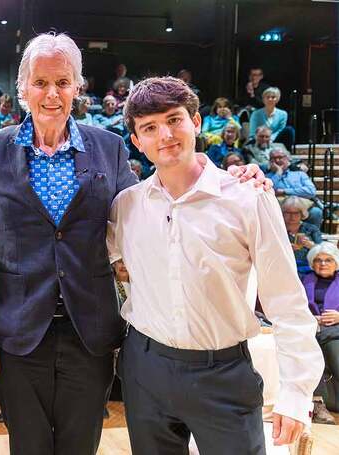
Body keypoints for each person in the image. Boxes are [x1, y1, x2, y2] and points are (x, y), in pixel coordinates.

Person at [111, 76, 323, 454]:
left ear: (195, 122)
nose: (165, 135)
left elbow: (288, 304)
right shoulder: (125, 206)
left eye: (174, 119)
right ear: (137, 141)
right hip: (145, 367)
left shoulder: (247, 197)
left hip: (223, 371)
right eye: (150, 127)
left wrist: (296, 393)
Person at [0, 32, 140, 455]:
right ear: (22, 89)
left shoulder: (109, 148)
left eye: (62, 82)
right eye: (40, 82)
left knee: (80, 445)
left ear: (77, 86)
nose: (51, 93)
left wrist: (208, 172)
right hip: (19, 331)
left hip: (88, 330)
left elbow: (142, 212)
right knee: (29, 445)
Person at [302, 242, 339, 425]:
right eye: (318, 260)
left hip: (336, 330)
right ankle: (318, 406)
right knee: (311, 352)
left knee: (333, 349)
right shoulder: (304, 279)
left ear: (337, 263)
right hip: (310, 329)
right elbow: (294, 305)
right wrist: (309, 317)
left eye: (328, 260)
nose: (323, 263)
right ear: (311, 263)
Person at [266, 148, 322, 227]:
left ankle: (312, 236)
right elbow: (268, 190)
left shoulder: (299, 174)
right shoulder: (267, 177)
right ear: (270, 161)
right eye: (274, 158)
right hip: (280, 208)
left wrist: (284, 191)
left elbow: (311, 191)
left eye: (280, 157)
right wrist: (278, 173)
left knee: (316, 212)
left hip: (302, 206)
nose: (277, 160)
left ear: (287, 159)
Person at [282, 196, 323, 275]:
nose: (292, 216)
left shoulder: (311, 229)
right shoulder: (278, 229)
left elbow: (322, 250)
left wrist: (311, 246)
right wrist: (285, 248)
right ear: (282, 213)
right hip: (284, 265)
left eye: (296, 213)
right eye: (288, 212)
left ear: (302, 214)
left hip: (307, 268)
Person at [249, 87, 295, 151]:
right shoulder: (256, 114)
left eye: (273, 97)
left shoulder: (283, 114)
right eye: (267, 97)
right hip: (259, 139)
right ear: (263, 99)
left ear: (277, 99)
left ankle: (286, 154)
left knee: (289, 130)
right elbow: (253, 132)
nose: (270, 99)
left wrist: (270, 139)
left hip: (274, 139)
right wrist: (264, 139)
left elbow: (280, 130)